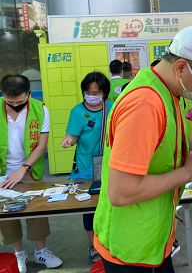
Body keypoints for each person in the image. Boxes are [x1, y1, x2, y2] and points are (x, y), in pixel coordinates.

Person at [93, 26, 192, 272]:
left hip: (152, 239)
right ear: (181, 67)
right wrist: (188, 173)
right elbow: (121, 192)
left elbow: (179, 140)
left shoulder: (167, 92)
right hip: (131, 249)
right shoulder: (145, 104)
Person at [0, 75, 63, 273]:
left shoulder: (40, 109)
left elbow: (41, 144)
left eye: (20, 101)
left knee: (37, 210)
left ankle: (41, 250)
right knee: (7, 215)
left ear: (29, 94)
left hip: (29, 168)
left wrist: (23, 168)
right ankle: (19, 253)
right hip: (2, 170)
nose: (15, 105)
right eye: (10, 102)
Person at [61, 72, 113, 262]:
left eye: (97, 92)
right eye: (88, 92)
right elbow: (72, 135)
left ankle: (109, 242)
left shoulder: (112, 108)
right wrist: (69, 140)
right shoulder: (77, 111)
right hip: (85, 167)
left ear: (104, 93)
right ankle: (93, 246)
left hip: (110, 165)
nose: (92, 96)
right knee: (89, 209)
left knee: (111, 205)